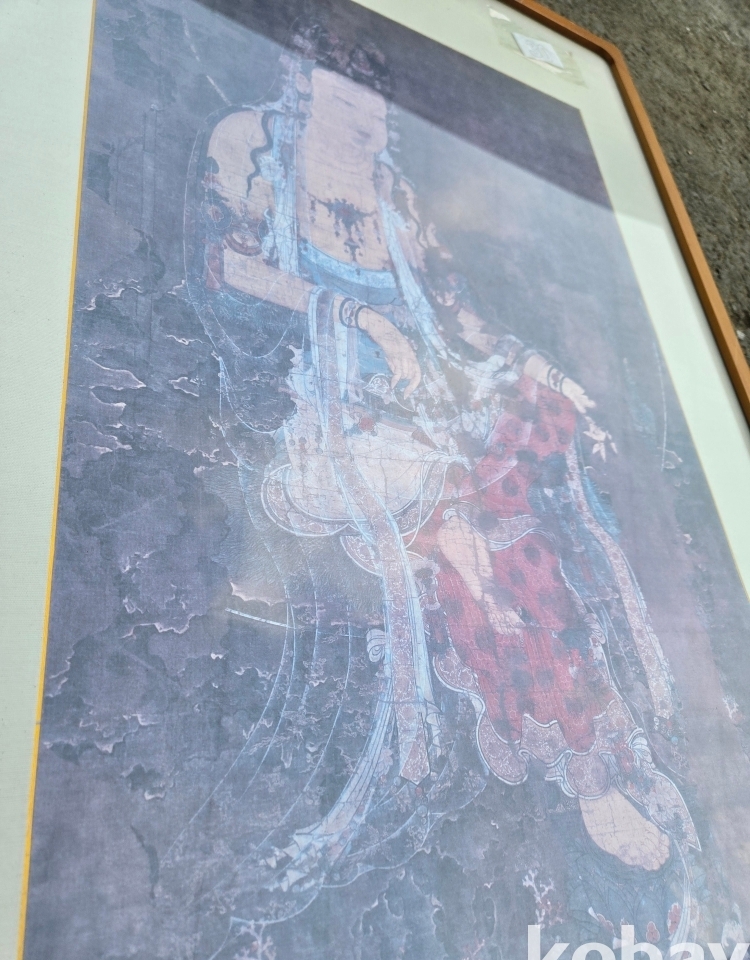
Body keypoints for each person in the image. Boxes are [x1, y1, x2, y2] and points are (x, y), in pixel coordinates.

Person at [185, 35, 697, 906]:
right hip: (329, 417)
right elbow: (224, 266)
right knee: (476, 538)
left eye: (378, 105)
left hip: (435, 410)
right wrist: (358, 318)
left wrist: (546, 372)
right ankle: (586, 772)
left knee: (539, 473)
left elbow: (459, 320)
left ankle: (604, 737)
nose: (368, 120)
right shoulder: (251, 145)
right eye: (348, 99)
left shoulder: (394, 193)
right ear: (303, 85)